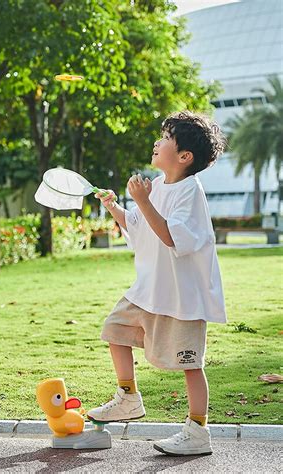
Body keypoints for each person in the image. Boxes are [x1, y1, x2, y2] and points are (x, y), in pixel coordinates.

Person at [88, 111, 227, 456]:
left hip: (182, 299)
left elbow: (169, 236)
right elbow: (138, 227)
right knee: (114, 331)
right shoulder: (158, 185)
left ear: (184, 157)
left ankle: (198, 430)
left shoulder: (189, 192)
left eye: (165, 138)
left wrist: (143, 201)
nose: (157, 142)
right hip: (148, 291)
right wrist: (115, 207)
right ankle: (128, 397)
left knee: (190, 364)